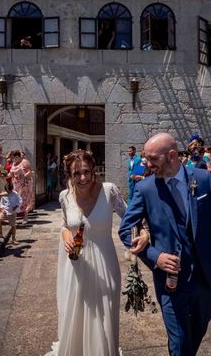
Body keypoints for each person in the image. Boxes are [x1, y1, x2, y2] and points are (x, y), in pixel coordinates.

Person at [119, 133, 211, 356]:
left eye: (153, 158)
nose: (147, 163)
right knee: (180, 341)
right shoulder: (146, 188)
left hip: (205, 275)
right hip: (170, 279)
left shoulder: (202, 179)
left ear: (172, 156)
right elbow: (125, 230)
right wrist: (155, 256)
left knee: (196, 333)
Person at [48, 150, 148, 356]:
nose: (82, 178)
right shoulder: (64, 196)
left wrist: (144, 231)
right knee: (75, 311)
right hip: (76, 264)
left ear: (94, 171)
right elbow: (66, 225)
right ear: (70, 175)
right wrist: (67, 237)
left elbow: (129, 216)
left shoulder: (109, 191)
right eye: (76, 173)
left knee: (105, 310)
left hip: (105, 261)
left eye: (86, 171)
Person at [10, 150, 34, 224]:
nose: (13, 159)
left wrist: (22, 175)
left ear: (17, 156)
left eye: (14, 158)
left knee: (25, 201)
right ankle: (15, 218)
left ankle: (25, 217)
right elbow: (11, 172)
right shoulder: (14, 163)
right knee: (16, 201)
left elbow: (30, 172)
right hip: (16, 184)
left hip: (24, 184)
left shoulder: (25, 162)